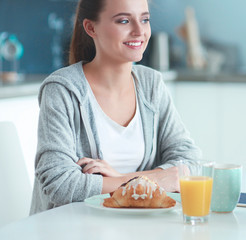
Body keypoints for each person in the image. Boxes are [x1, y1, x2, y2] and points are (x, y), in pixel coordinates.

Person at [30, 0, 200, 215]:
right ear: (91, 28)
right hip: (72, 228)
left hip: (139, 228)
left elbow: (189, 162)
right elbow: (60, 185)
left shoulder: (151, 84)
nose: (139, 31)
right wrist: (150, 180)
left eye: (145, 19)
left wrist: (119, 179)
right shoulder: (63, 90)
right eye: (124, 20)